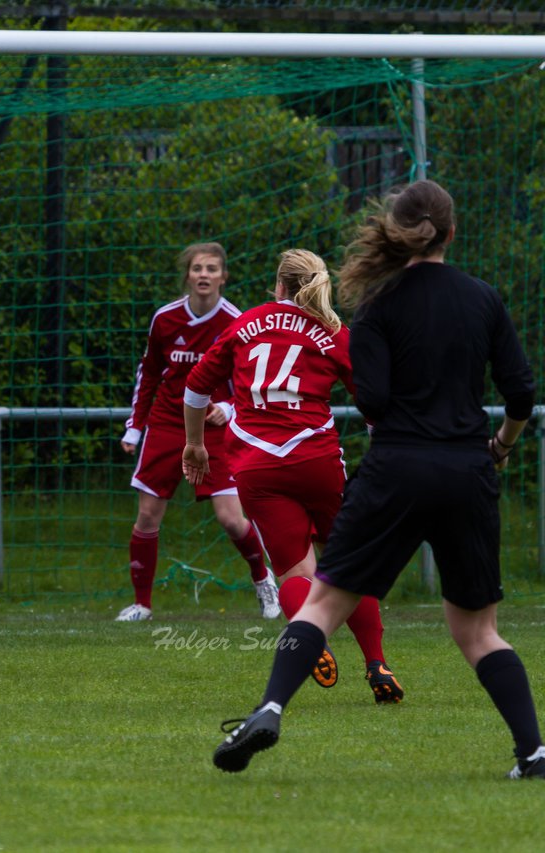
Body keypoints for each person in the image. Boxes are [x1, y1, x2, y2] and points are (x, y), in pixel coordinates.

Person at [213, 180, 542, 778]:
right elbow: (521, 391)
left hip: (395, 469)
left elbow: (378, 398)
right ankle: (534, 752)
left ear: (395, 230)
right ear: (452, 230)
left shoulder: (376, 305)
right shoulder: (483, 299)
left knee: (321, 602)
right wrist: (501, 444)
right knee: (477, 630)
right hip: (468, 469)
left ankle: (268, 709)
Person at [182, 249, 400, 701]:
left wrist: (196, 443)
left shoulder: (245, 323)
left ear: (278, 285)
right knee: (347, 563)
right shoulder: (333, 331)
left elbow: (196, 385)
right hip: (315, 460)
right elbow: (374, 401)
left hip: (256, 464)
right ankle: (377, 664)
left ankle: (312, 642)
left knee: (295, 571)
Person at [118, 242, 278, 622]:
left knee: (230, 518)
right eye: (197, 268)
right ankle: (142, 604)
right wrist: (135, 427)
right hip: (167, 424)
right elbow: (150, 373)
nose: (204, 274)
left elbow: (252, 380)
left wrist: (227, 407)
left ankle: (263, 581)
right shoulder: (165, 319)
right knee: (147, 516)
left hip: (214, 429)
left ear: (224, 276)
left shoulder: (237, 322)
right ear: (187, 275)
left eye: (211, 269)